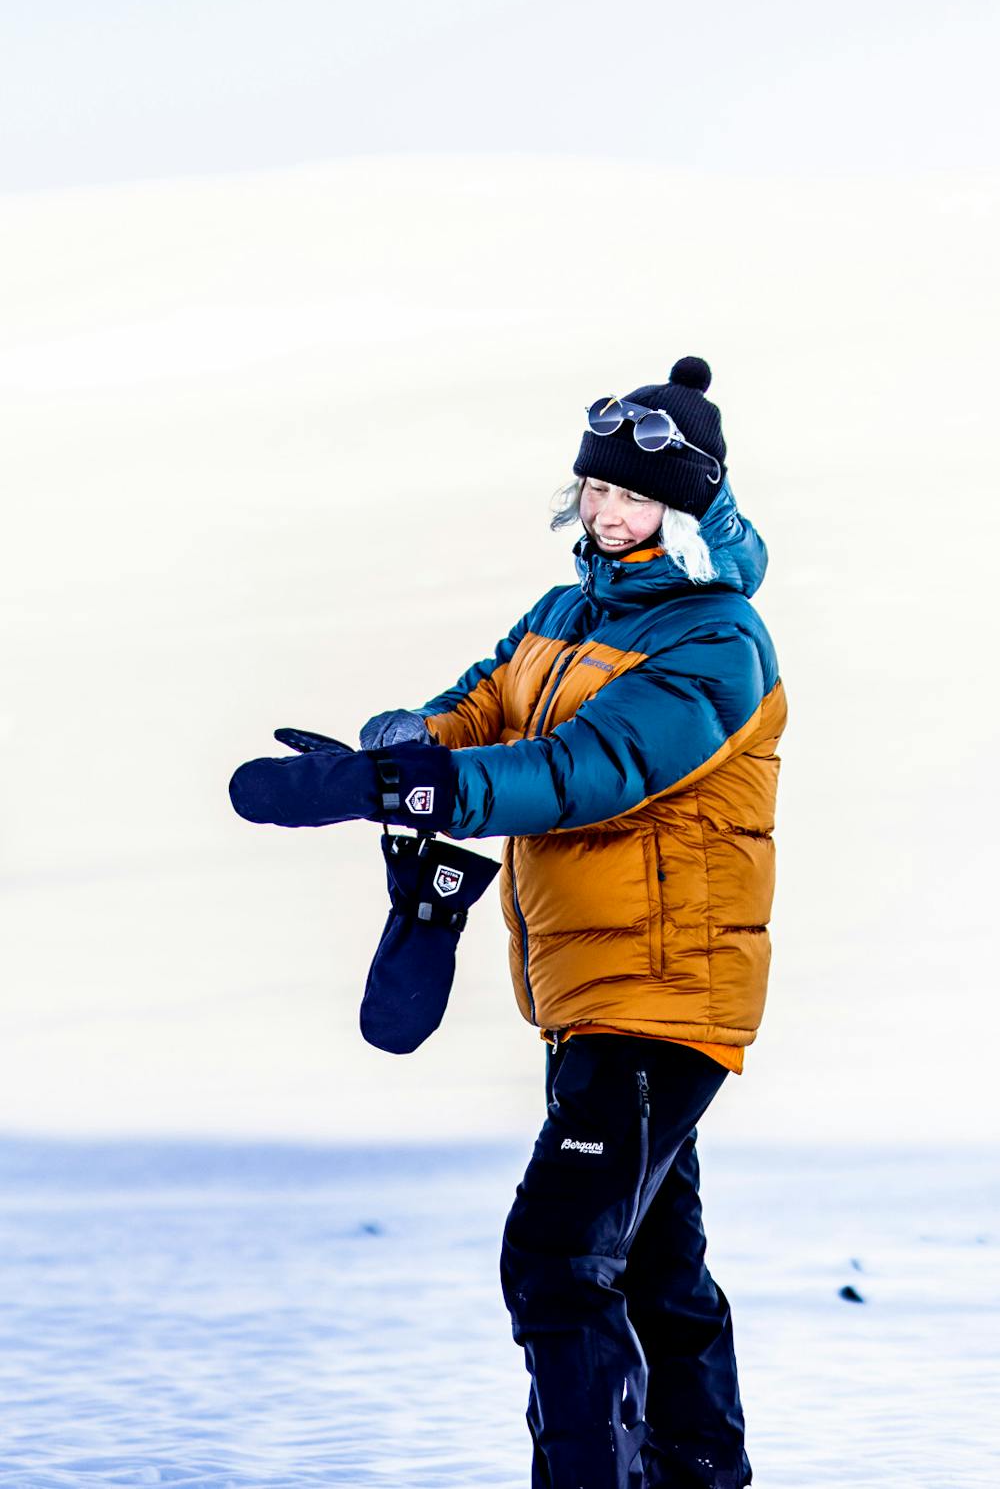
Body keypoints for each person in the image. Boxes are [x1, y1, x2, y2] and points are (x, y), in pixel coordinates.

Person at [229, 355, 785, 1489]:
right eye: (596, 490)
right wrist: (407, 740)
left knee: (554, 1261)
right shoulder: (564, 611)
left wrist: (433, 790)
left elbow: (592, 767)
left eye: (636, 497)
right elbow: (490, 700)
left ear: (686, 511)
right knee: (651, 1271)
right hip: (593, 994)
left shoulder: (716, 641)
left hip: (664, 989)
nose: (609, 512)